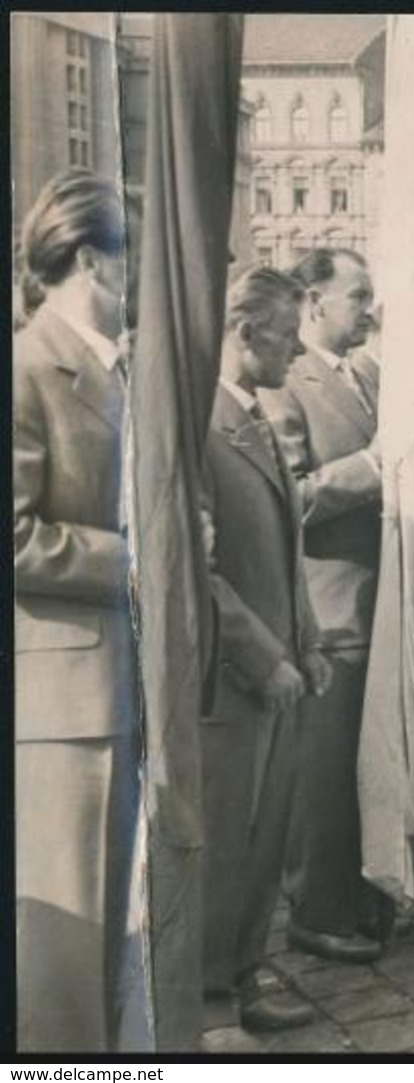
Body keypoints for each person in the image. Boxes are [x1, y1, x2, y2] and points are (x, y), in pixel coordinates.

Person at [14, 170, 139, 1052]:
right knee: (65, 939)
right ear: (91, 258)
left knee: (113, 923)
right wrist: (138, 561)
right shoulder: (27, 366)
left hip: (119, 682)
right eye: (129, 260)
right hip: (63, 702)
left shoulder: (112, 370)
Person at [199, 266, 332, 1035]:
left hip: (275, 673)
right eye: (286, 333)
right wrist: (262, 656)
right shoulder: (201, 422)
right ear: (245, 334)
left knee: (263, 836)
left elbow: (287, 546)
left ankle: (243, 976)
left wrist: (306, 642)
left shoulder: (252, 414)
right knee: (225, 840)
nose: (296, 348)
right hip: (232, 679)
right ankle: (209, 996)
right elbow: (200, 567)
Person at [260, 247, 390, 963]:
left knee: (363, 766)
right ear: (313, 302)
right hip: (331, 607)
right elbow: (293, 498)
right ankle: (316, 907)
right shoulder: (287, 383)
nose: (369, 309)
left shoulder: (366, 373)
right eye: (358, 295)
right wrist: (373, 468)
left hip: (377, 600)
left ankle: (357, 894)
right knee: (324, 771)